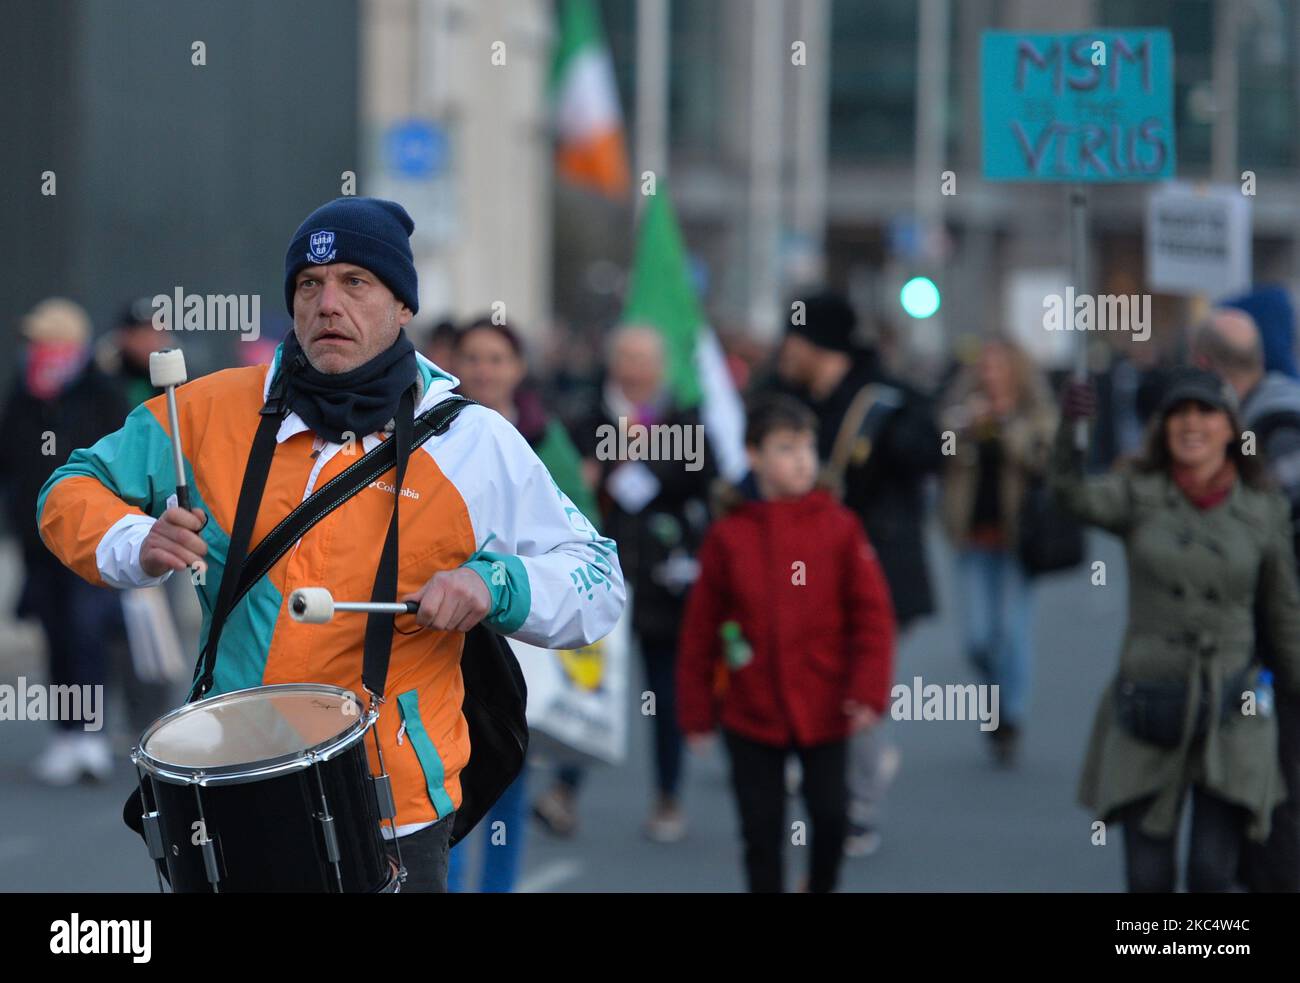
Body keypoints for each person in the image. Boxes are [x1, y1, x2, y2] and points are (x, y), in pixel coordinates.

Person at [37, 197, 625, 893]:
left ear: (402, 304)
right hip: (232, 785)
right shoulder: (206, 408)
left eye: (356, 282)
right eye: (309, 285)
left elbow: (597, 576)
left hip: (393, 804)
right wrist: (137, 539)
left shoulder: (475, 442)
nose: (327, 304)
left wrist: (492, 586)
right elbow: (69, 489)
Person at [1053, 367, 1300, 892]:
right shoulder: (1138, 494)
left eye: (1206, 412)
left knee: (1211, 873)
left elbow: (1283, 613)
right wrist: (1071, 431)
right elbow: (1071, 494)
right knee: (1147, 878)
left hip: (1232, 712)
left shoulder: (1263, 508)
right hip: (1149, 703)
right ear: (1163, 428)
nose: (1192, 425)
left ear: (1231, 427)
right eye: (1179, 414)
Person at [677, 395, 895, 892]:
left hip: (825, 702)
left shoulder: (840, 527)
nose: (801, 459)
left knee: (832, 816)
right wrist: (695, 713)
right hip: (750, 706)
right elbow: (701, 630)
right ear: (754, 456)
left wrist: (867, 690)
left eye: (807, 447)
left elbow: (872, 618)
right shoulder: (729, 534)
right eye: (785, 447)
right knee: (761, 829)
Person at [775, 288, 940, 855]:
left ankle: (858, 801)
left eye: (793, 338)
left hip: (880, 569)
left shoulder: (890, 400)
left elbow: (929, 456)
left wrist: (894, 438)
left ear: (819, 343)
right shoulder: (784, 401)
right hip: (803, 573)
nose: (783, 349)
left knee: (857, 681)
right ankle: (844, 772)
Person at [541, 323, 715, 843]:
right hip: (601, 573)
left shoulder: (683, 419)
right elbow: (561, 482)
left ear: (661, 367)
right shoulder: (586, 416)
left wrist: (643, 461)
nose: (636, 369)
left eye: (646, 359)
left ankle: (668, 797)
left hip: (666, 578)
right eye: (627, 358)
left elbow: (702, 474)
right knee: (588, 686)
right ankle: (563, 793)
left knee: (663, 694)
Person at [445, 314, 601, 892]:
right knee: (450, 775)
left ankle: (499, 887)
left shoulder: (542, 437)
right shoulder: (431, 430)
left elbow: (583, 534)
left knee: (507, 765)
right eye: (473, 357)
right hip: (444, 628)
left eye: (497, 358)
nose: (484, 369)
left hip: (519, 631)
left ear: (519, 369)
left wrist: (510, 579)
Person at [1191, 308, 1300, 892]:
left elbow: (1281, 529)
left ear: (1206, 364)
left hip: (1278, 636)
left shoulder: (1273, 419)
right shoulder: (1271, 405)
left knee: (1275, 787)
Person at [1, 299, 130, 784]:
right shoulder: (24, 394)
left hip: (89, 540)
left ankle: (92, 736)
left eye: (42, 340)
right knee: (55, 637)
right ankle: (66, 734)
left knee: (86, 634)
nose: (34, 349)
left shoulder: (102, 393)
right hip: (38, 545)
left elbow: (118, 462)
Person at [939, 338, 1057, 765]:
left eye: (998, 367)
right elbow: (940, 453)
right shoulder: (962, 407)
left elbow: (1044, 458)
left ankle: (1011, 715)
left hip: (1017, 539)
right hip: (971, 537)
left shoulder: (1034, 410)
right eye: (984, 367)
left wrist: (1007, 425)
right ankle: (994, 702)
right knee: (976, 638)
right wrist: (961, 430)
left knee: (1010, 632)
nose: (990, 375)